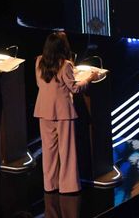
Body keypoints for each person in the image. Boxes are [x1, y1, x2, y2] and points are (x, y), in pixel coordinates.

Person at [34, 31, 96, 194]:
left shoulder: (39, 61)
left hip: (44, 110)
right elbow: (74, 88)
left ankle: (50, 185)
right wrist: (89, 78)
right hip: (62, 112)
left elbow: (40, 84)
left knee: (48, 150)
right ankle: (68, 187)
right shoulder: (65, 64)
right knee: (66, 149)